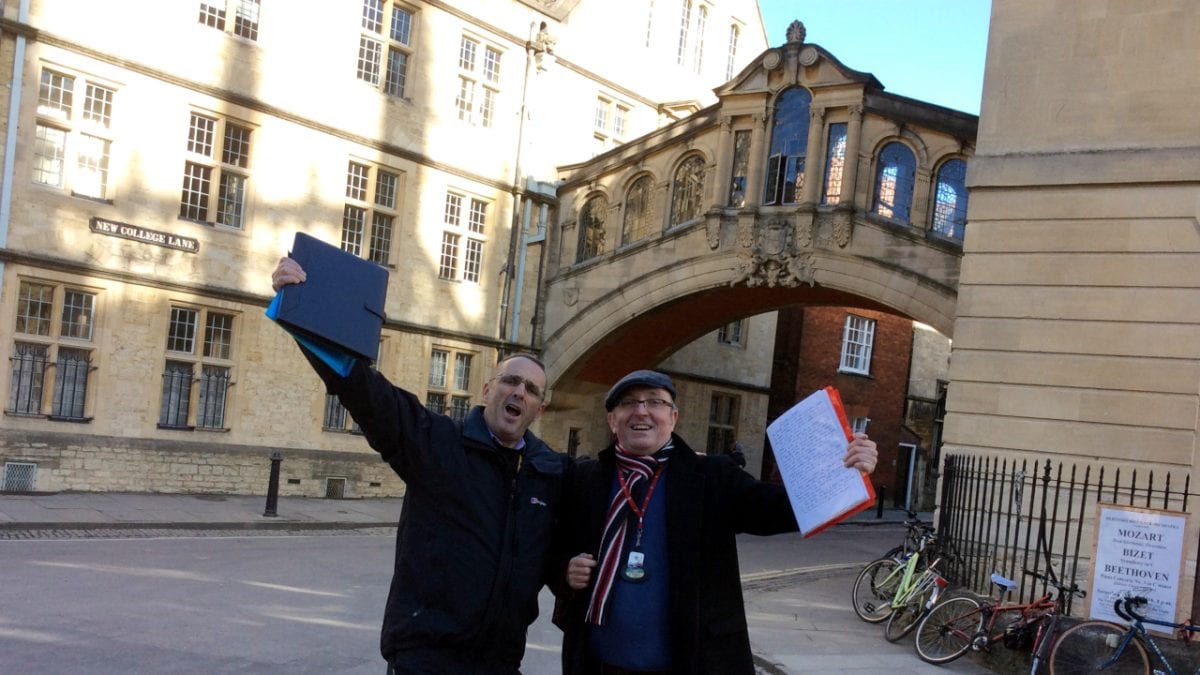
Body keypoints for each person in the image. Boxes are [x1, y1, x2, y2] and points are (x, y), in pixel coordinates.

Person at [271, 257, 569, 674]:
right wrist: (301, 303)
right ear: (487, 390)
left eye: (531, 389)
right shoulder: (437, 442)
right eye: (510, 381)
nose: (519, 391)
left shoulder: (549, 472)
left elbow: (565, 547)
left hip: (499, 663)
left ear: (538, 409)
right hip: (426, 659)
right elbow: (362, 390)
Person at [553, 369, 878, 674]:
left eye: (655, 401)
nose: (641, 411)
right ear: (612, 420)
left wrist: (845, 470)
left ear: (673, 417)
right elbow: (548, 546)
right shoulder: (585, 480)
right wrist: (565, 569)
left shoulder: (710, 477)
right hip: (597, 664)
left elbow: (780, 509)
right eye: (628, 403)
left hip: (692, 663)